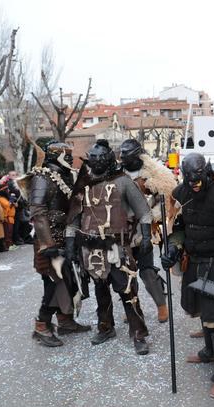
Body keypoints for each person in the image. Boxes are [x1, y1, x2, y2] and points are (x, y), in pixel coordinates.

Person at [160, 152, 214, 399]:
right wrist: (173, 248)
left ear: (207, 172)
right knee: (200, 308)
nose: (195, 185)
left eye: (198, 180)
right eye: (190, 180)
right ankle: (209, 351)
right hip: (195, 261)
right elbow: (179, 228)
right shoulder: (182, 193)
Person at [66, 140, 152, 354]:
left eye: (99, 159)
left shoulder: (123, 181)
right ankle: (105, 327)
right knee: (100, 289)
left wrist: (146, 237)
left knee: (127, 290)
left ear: (108, 160)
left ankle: (138, 333)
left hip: (117, 247)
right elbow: (73, 219)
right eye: (92, 160)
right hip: (91, 249)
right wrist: (70, 245)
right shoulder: (83, 184)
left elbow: (144, 212)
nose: (95, 163)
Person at [20, 141, 91, 347]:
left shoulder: (64, 176)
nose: (69, 158)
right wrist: (47, 243)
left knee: (68, 281)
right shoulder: (42, 177)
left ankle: (65, 320)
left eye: (70, 154)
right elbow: (38, 211)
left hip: (65, 236)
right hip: (49, 240)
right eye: (65, 154)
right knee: (53, 284)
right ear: (55, 156)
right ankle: (41, 326)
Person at [119, 138, 177, 323]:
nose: (123, 158)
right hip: (122, 229)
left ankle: (161, 305)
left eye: (127, 154)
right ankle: (134, 307)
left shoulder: (153, 172)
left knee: (147, 271)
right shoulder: (117, 173)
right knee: (126, 272)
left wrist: (154, 215)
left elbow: (167, 196)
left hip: (143, 227)